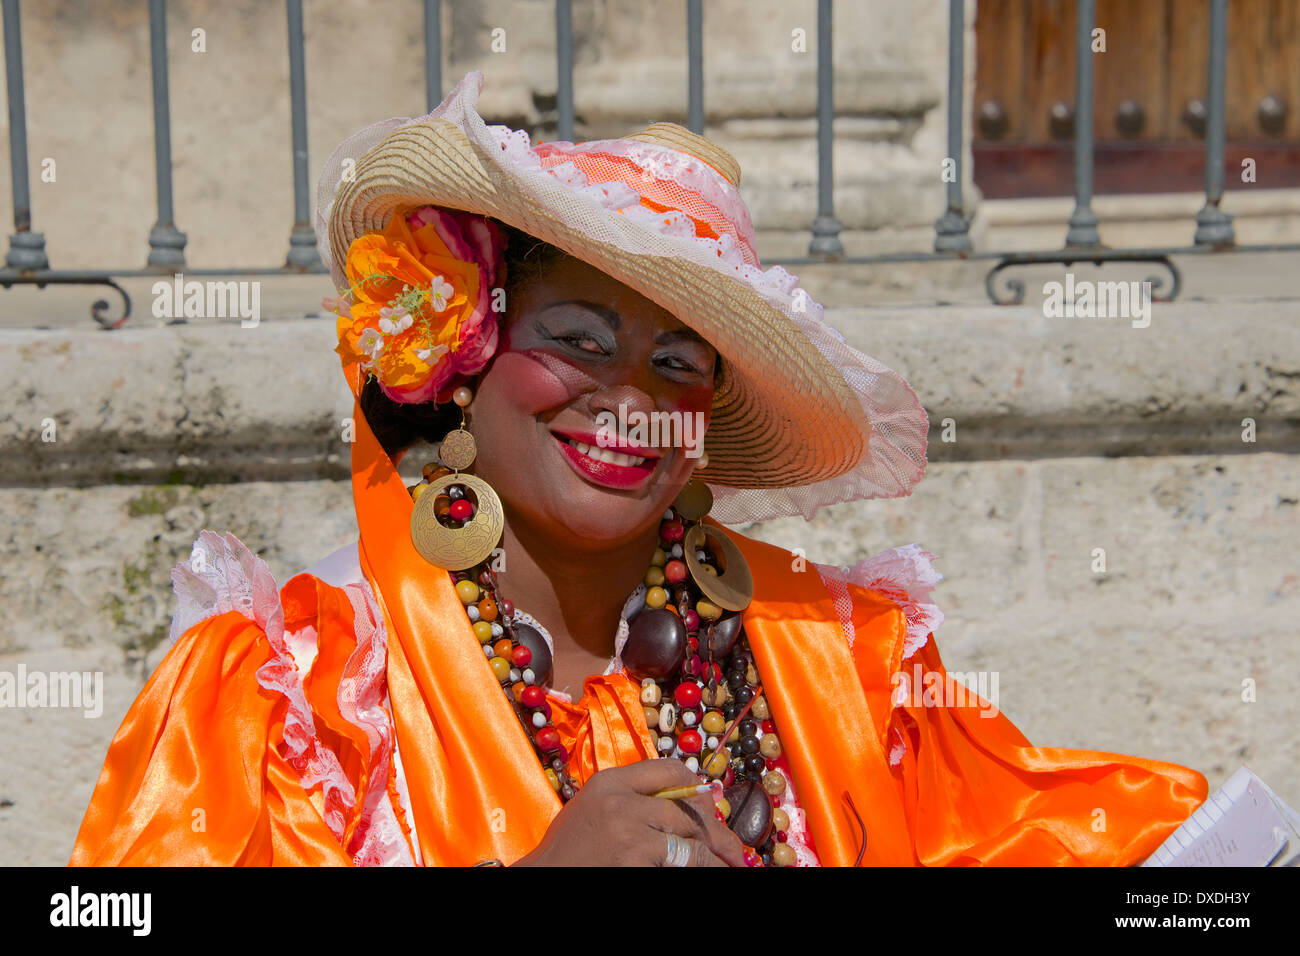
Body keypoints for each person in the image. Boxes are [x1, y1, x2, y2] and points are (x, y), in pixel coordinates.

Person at [70, 70, 1206, 867]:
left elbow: (1046, 834)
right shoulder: (297, 687)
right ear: (469, 350)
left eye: (678, 362)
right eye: (577, 339)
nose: (630, 401)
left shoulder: (835, 661)